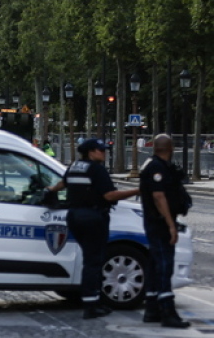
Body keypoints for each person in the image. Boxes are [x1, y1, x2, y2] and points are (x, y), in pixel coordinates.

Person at [47, 138, 138, 318]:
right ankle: (91, 304)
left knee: (90, 259)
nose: (104, 153)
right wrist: (138, 191)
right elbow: (110, 195)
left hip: (74, 216)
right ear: (90, 152)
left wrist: (49, 191)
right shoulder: (97, 169)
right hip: (93, 217)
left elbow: (61, 184)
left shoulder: (74, 166)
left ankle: (92, 299)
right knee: (94, 261)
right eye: (100, 150)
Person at [139, 134, 191, 328]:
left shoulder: (152, 165)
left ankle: (152, 309)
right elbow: (159, 196)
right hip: (159, 222)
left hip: (155, 221)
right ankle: (167, 311)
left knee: (154, 264)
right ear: (171, 148)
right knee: (164, 265)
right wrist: (171, 224)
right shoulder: (157, 168)